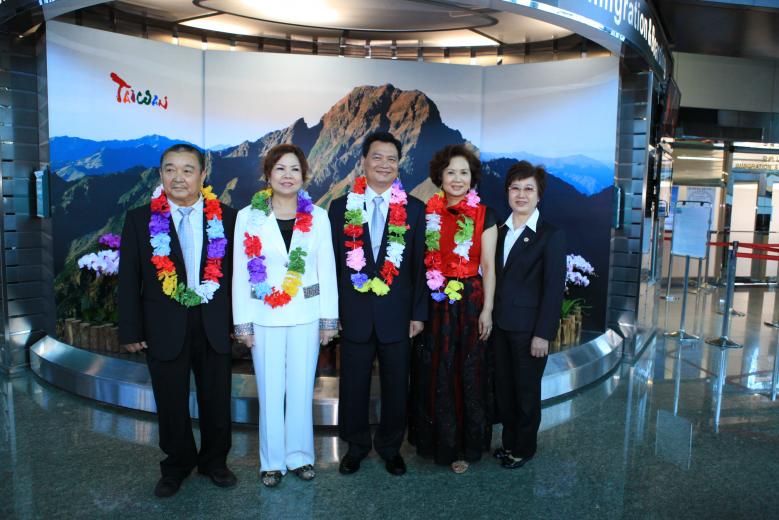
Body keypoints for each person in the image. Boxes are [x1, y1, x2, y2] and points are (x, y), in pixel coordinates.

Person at [118, 143, 238, 497]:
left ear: (203, 175)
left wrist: (240, 324)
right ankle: (176, 464)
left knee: (217, 398)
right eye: (170, 169)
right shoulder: (139, 220)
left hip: (214, 324)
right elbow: (129, 279)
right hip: (163, 326)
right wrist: (131, 329)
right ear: (161, 175)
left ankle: (215, 462)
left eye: (188, 170)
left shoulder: (228, 218)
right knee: (170, 400)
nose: (178, 177)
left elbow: (238, 277)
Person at [232, 144, 338, 488]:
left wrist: (328, 319)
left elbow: (327, 270)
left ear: (304, 175)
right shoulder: (248, 217)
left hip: (306, 314)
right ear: (268, 175)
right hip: (263, 316)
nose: (287, 175)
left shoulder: (318, 217)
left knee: (301, 388)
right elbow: (240, 273)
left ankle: (301, 457)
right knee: (270, 390)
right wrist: (242, 323)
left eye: (294, 169)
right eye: (280, 169)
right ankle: (272, 462)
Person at [328, 131, 428, 476]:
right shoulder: (340, 208)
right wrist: (333, 313)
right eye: (377, 157)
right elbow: (332, 266)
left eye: (391, 159)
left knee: (397, 385)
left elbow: (419, 267)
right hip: (353, 314)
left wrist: (418, 314)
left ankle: (390, 447)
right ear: (363, 162)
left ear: (399, 164)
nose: (384, 164)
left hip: (397, 316)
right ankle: (355, 446)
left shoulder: (415, 209)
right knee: (353, 384)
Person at [411, 144, 497, 474]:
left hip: (470, 302)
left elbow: (489, 267)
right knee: (436, 370)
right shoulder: (427, 214)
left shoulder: (485, 214)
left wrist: (488, 310)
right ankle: (436, 443)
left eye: (464, 173)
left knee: (468, 371)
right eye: (451, 173)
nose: (458, 179)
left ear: (472, 178)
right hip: (436, 301)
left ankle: (465, 446)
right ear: (440, 177)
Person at [492, 160, 565, 469]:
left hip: (529, 331)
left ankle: (524, 449)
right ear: (507, 192)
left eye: (528, 189)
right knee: (505, 390)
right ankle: (509, 443)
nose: (521, 195)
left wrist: (543, 334)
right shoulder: (498, 230)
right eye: (515, 188)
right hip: (499, 326)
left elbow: (553, 289)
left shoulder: (550, 235)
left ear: (539, 195)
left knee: (526, 392)